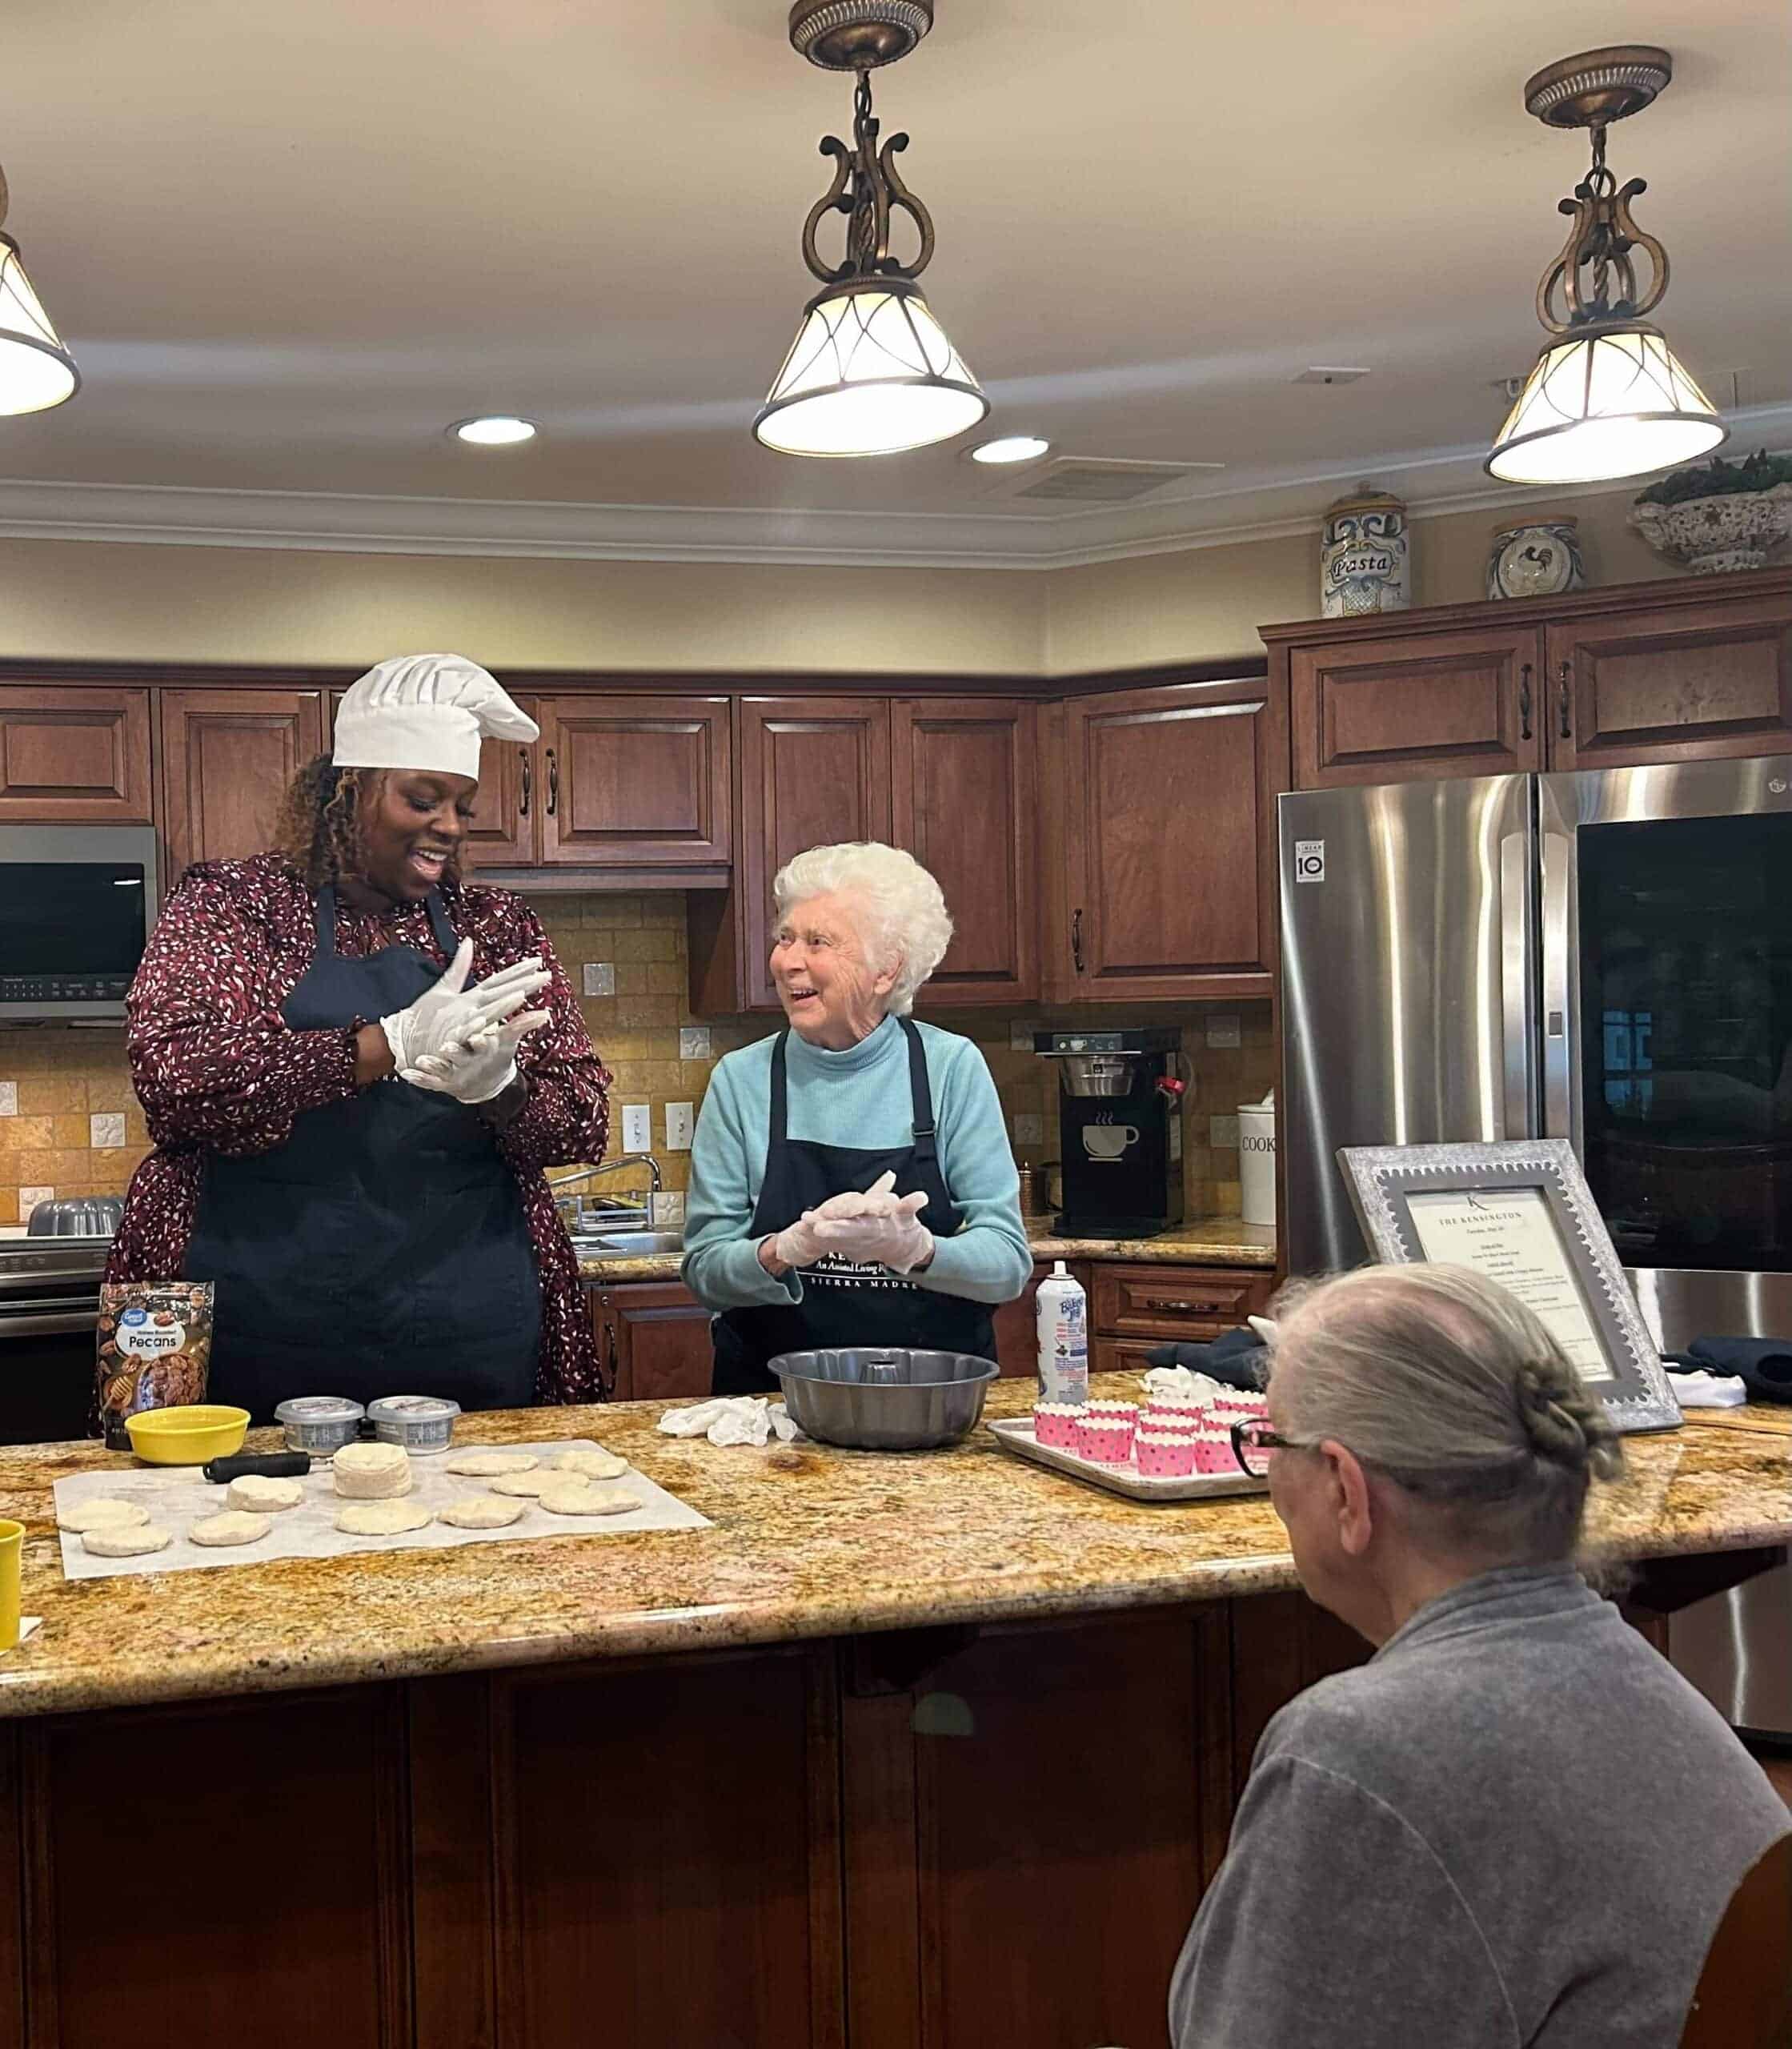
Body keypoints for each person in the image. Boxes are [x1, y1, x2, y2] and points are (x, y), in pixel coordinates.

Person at [1170, 1263, 1790, 2049]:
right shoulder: (1663, 1702)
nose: (1266, 1481)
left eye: (1270, 1442)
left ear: (1346, 1493)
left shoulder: (1355, 1751)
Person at [106, 653, 611, 1418]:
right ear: (347, 793)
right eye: (422, 799)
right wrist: (385, 1045)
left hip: (463, 1307)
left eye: (461, 806)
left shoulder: (496, 927)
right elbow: (177, 1080)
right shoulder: (236, 904)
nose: (447, 826)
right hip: (251, 1301)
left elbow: (583, 1125)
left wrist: (500, 1091)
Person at [682, 841, 1029, 1395]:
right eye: (785, 938)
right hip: (769, 1410)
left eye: (818, 942)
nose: (788, 960)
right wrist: (787, 1248)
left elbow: (1007, 1263)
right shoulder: (741, 1079)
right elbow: (705, 1273)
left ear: (885, 971)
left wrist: (914, 1251)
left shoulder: (949, 1068)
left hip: (929, 1402)